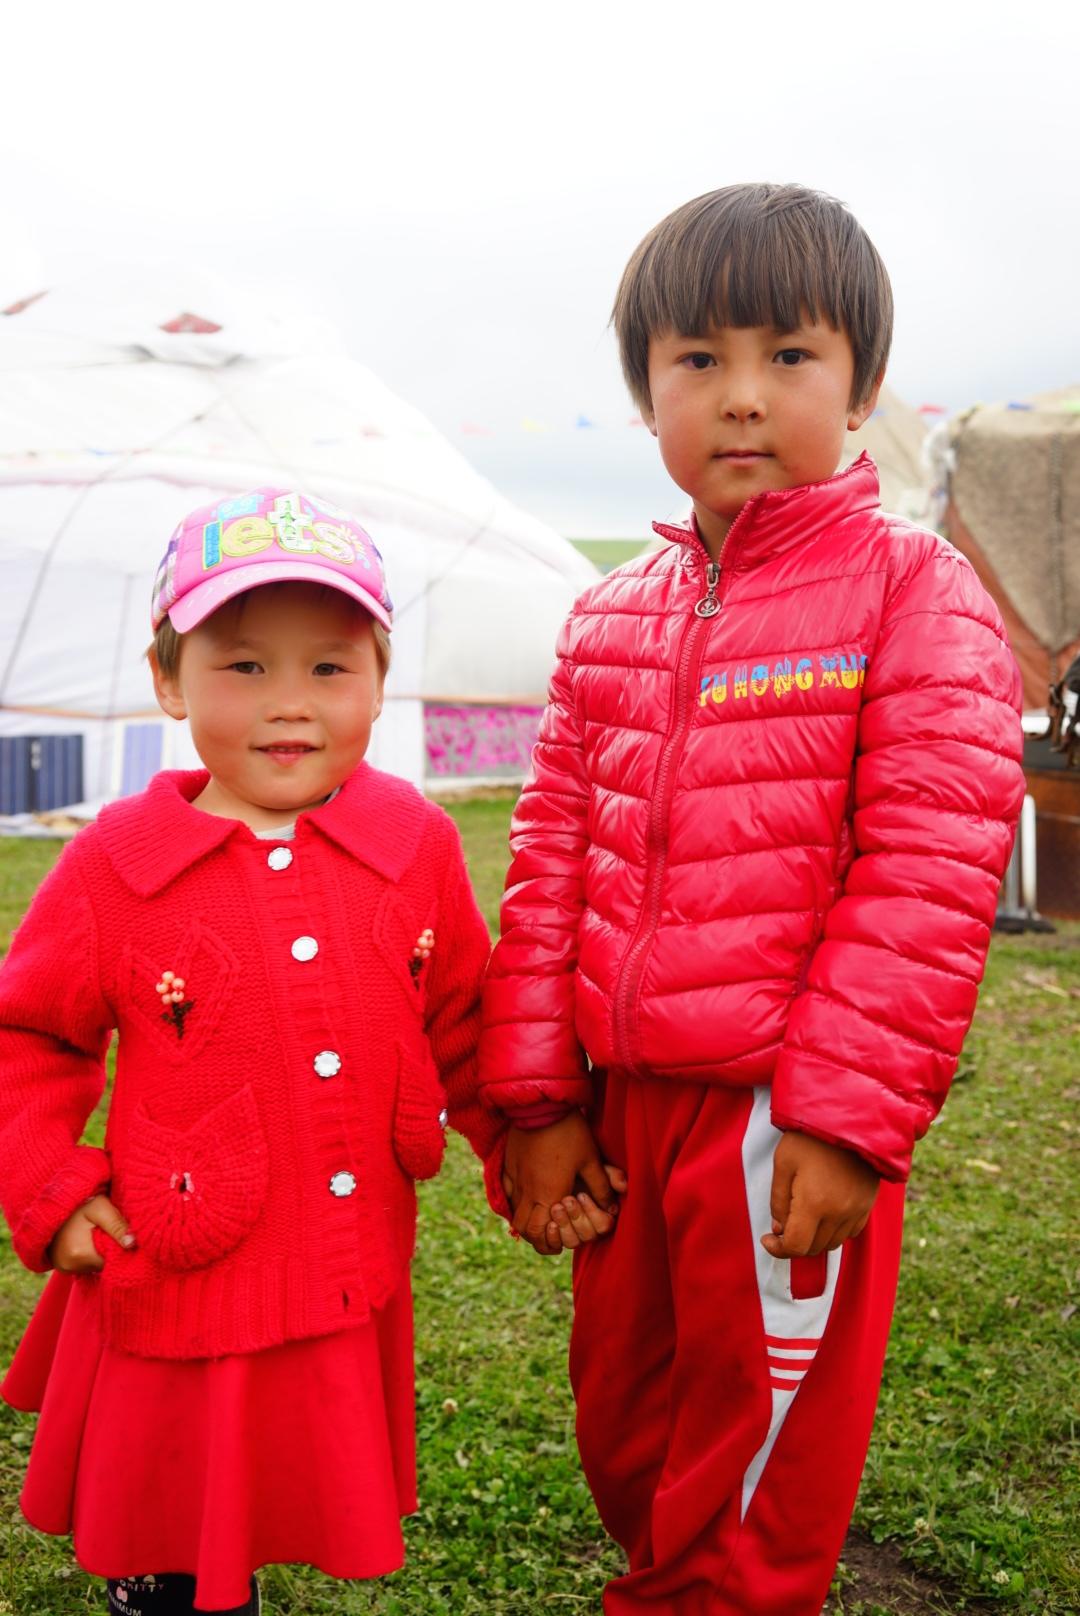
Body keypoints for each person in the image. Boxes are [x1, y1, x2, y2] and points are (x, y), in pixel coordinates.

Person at [480, 184, 1026, 1614]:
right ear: (643, 392)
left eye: (789, 354)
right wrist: (535, 1101)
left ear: (863, 388)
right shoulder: (610, 617)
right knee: (630, 1420)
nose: (741, 395)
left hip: (781, 1110)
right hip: (626, 1107)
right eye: (698, 359)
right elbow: (549, 861)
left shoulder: (914, 593)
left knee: (751, 1457)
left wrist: (845, 1117)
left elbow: (928, 868)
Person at [0, 488, 506, 1616]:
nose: (291, 702)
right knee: (175, 1524)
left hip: (340, 1256)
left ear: (379, 678)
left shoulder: (414, 843)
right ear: (170, 679)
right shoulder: (117, 864)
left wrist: (530, 1149)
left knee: (274, 1483)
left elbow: (466, 1018)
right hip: (178, 1271)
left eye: (329, 667)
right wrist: (51, 1185)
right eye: (244, 666)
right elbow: (25, 1032)